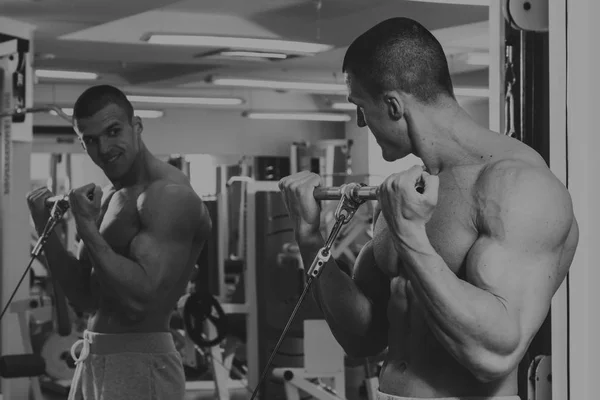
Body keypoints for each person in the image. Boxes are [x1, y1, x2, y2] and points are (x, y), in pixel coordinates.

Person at [279, 17, 578, 400]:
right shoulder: (409, 190)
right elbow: (362, 336)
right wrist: (309, 237)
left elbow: (494, 355)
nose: (359, 120)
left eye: (360, 107)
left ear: (392, 105)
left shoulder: (519, 187)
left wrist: (410, 235)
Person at [26, 85, 212, 400]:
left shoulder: (169, 195)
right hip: (94, 357)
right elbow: (85, 297)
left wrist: (85, 225)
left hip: (141, 362)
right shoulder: (112, 197)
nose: (105, 147)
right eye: (91, 140)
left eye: (113, 132)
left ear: (136, 126)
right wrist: (45, 225)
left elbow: (141, 299)